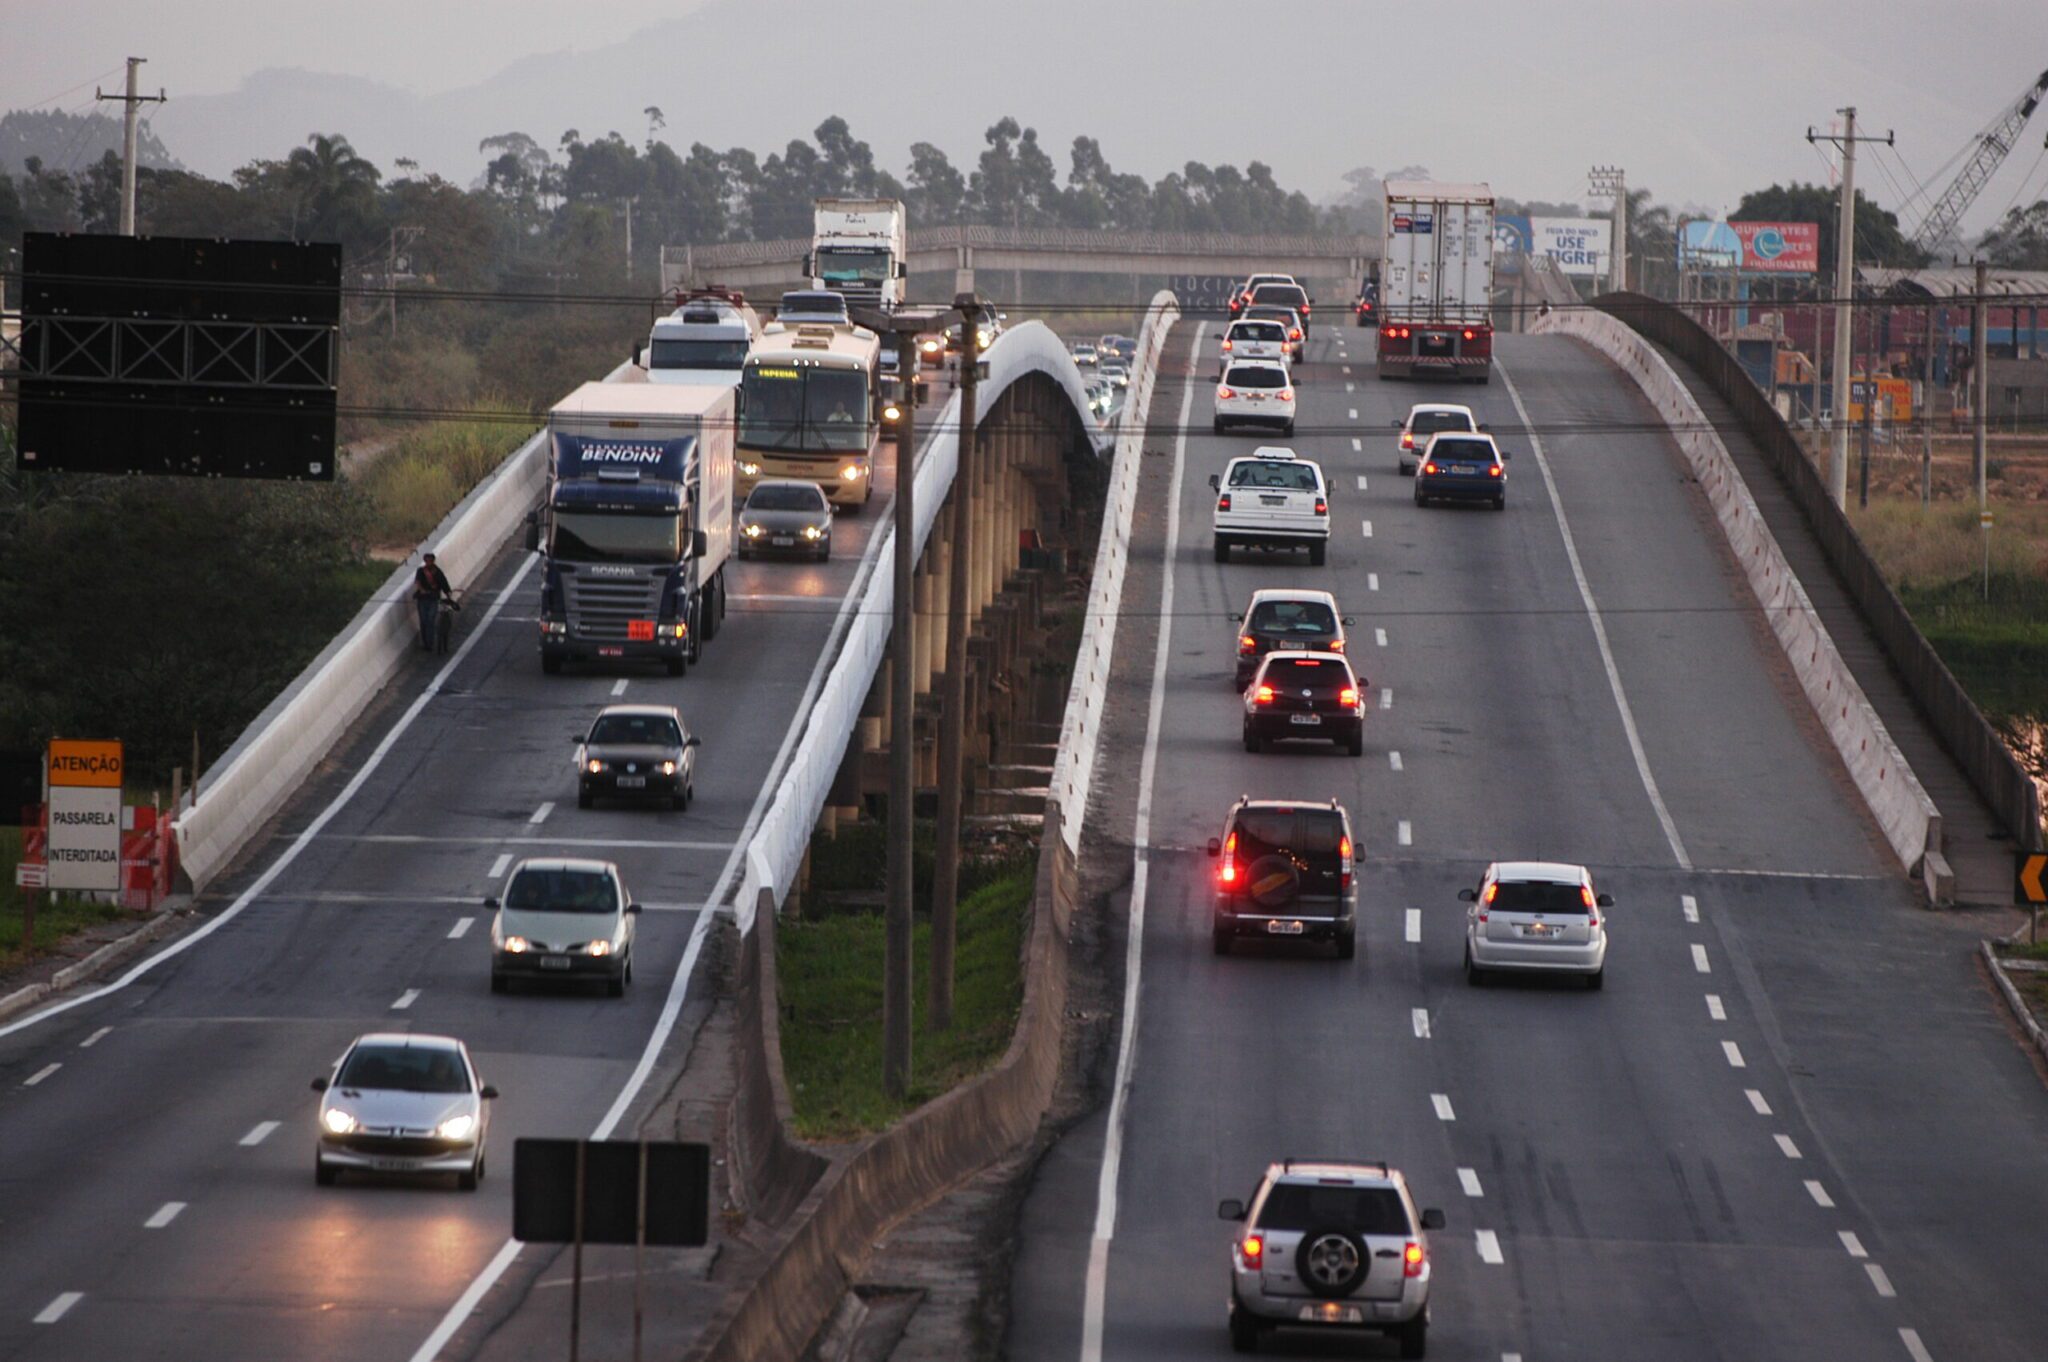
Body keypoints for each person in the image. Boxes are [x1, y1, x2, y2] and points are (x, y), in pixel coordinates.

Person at [412, 552, 455, 651]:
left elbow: (444, 584)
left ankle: (430, 644)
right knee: (423, 621)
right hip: (422, 599)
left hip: (433, 599)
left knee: (430, 621)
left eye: (430, 561)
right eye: (426, 561)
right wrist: (422, 590)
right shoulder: (421, 571)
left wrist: (448, 595)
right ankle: (425, 642)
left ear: (433, 561)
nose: (428, 563)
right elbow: (418, 582)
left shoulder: (438, 572)